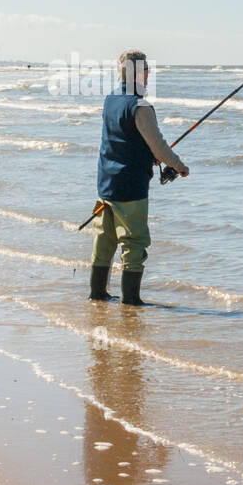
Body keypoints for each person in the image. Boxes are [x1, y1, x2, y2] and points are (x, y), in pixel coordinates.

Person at [87, 50, 189, 305]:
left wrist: (148, 155)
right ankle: (131, 301)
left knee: (104, 240)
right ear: (139, 74)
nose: (149, 75)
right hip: (130, 187)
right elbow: (158, 145)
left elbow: (123, 138)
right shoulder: (141, 106)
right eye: (147, 71)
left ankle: (97, 294)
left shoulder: (110, 99)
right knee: (134, 242)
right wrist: (179, 166)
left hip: (105, 183)